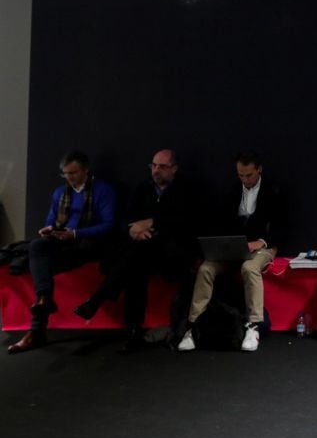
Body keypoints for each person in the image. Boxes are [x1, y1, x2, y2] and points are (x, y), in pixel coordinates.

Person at [74, 149, 200, 352]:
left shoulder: (186, 190)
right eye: (153, 165)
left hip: (173, 253)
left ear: (174, 169)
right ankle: (133, 330)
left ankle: (100, 298)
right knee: (136, 266)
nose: (156, 170)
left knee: (137, 256)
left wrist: (153, 222)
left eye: (162, 166)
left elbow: (185, 222)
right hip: (144, 250)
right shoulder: (143, 188)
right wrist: (133, 230)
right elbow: (126, 218)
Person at [7, 150, 118, 354]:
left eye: (73, 173)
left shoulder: (103, 190)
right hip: (63, 241)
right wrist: (49, 229)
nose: (69, 178)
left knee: (42, 268)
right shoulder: (60, 193)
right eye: (65, 174)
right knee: (37, 245)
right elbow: (51, 220)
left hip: (89, 245)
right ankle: (44, 300)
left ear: (86, 171)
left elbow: (108, 225)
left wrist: (76, 233)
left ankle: (36, 331)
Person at [176, 151, 285, 353]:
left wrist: (260, 242)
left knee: (250, 268)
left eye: (249, 175)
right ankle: (193, 326)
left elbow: (282, 227)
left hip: (264, 246)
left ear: (259, 170)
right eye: (240, 175)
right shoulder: (234, 191)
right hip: (234, 247)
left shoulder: (273, 191)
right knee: (206, 269)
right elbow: (222, 222)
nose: (245, 179)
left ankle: (253, 326)